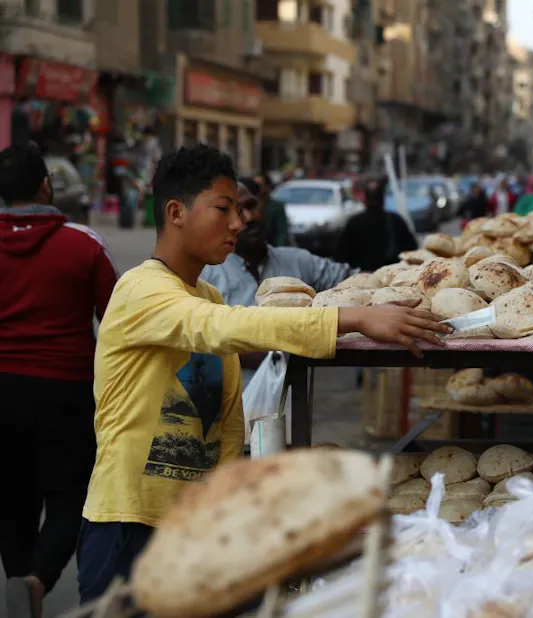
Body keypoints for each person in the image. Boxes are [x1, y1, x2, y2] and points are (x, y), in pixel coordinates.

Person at [76, 145, 450, 603]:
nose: (239, 222)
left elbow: (228, 423)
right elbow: (224, 328)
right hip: (128, 526)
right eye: (223, 209)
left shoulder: (209, 294)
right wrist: (349, 319)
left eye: (240, 209)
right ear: (176, 212)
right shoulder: (141, 289)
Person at [0, 145, 118, 618]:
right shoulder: (83, 242)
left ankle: (18, 584)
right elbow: (117, 321)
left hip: (1, 391)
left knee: (11, 498)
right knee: (72, 497)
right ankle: (36, 582)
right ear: (45, 185)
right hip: (67, 389)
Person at [202, 179, 356, 389]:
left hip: (292, 407)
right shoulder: (204, 276)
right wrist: (288, 344)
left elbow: (356, 283)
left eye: (251, 206)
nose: (250, 218)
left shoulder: (298, 261)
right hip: (230, 410)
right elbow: (203, 347)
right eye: (237, 211)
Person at [334, 177, 418, 272]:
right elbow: (412, 249)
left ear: (365, 199)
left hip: (360, 277)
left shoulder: (354, 222)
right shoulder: (395, 220)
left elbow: (340, 256)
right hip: (391, 276)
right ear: (383, 199)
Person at [252, 173, 290, 247]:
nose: (257, 188)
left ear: (267, 186)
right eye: (254, 185)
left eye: (260, 185)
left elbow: (281, 233)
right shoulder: (246, 206)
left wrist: (279, 251)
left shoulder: (276, 207)